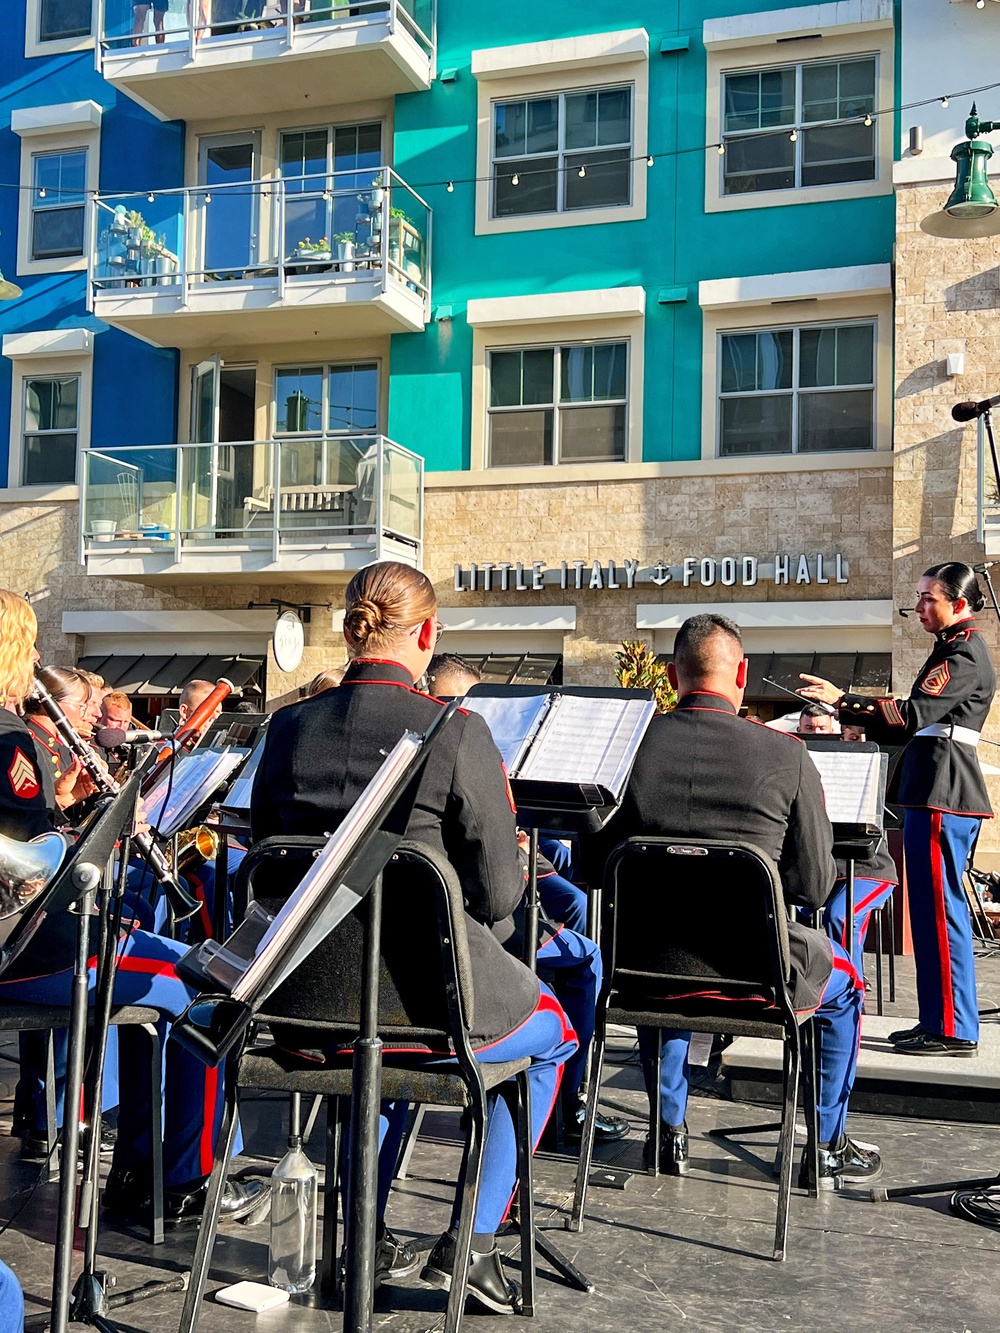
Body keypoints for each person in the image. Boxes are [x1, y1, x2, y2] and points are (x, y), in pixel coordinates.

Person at [252, 562, 578, 1312]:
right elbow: (501, 893)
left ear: (346, 628)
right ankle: (475, 1244)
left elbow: (271, 873)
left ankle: (361, 1228)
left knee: (379, 1040)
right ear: (427, 633)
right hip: (429, 1011)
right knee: (552, 1036)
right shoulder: (456, 731)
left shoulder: (287, 728)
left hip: (300, 1009)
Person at [0, 590, 268, 1227]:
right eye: (29, 643)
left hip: (25, 942)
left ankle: (138, 1164)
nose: (38, 656)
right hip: (24, 951)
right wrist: (106, 825)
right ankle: (181, 1178)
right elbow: (33, 863)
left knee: (168, 960)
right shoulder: (9, 739)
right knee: (204, 980)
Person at [584, 613, 877, 1190]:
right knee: (845, 989)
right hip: (757, 974)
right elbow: (813, 887)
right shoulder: (787, 755)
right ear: (742, 673)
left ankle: (668, 1130)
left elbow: (594, 868)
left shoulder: (623, 752)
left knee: (660, 962)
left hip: (638, 970)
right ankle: (823, 1143)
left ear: (671, 675)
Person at [425, 654, 626, 1145]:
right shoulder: (455, 740)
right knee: (584, 958)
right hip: (460, 932)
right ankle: (564, 1103)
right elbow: (493, 894)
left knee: (572, 903)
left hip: (449, 908)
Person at [799, 561, 996, 1057]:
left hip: (942, 792)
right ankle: (939, 1020)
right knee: (932, 912)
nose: (921, 607)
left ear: (961, 603)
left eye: (930, 598)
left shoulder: (963, 652)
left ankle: (952, 1027)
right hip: (931, 790)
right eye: (920, 597)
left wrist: (844, 701)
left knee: (940, 913)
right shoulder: (951, 650)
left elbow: (912, 716)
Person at [426, 653, 591, 936]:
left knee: (570, 878)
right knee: (573, 907)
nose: (465, 717)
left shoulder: (479, 741)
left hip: (511, 842)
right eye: (457, 706)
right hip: (485, 870)